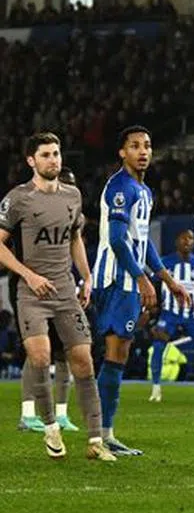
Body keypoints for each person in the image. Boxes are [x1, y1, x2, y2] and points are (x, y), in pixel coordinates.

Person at [0, 133, 115, 461]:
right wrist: (29, 275)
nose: (54, 160)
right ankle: (50, 427)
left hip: (66, 291)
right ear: (31, 161)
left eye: (56, 154)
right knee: (40, 357)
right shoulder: (18, 198)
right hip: (32, 293)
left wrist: (87, 275)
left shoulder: (73, 196)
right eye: (46, 155)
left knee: (83, 360)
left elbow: (75, 238)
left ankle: (95, 442)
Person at [92, 126, 191, 455]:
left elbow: (141, 240)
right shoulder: (121, 187)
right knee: (113, 352)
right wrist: (142, 278)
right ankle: (101, 435)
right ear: (122, 152)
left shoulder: (144, 191)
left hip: (130, 281)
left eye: (147, 145)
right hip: (115, 280)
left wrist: (168, 279)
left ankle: (106, 433)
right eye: (135, 146)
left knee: (119, 354)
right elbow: (119, 240)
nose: (143, 151)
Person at [15, 166, 81, 433]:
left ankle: (62, 414)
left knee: (67, 353)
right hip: (32, 286)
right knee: (37, 353)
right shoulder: (29, 208)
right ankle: (28, 414)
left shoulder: (74, 215)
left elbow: (75, 249)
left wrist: (84, 281)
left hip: (63, 288)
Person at [148, 230, 194, 403]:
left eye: (190, 238)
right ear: (177, 241)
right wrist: (151, 310)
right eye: (184, 238)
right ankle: (156, 387)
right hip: (170, 313)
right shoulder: (164, 262)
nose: (187, 241)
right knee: (158, 346)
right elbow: (153, 285)